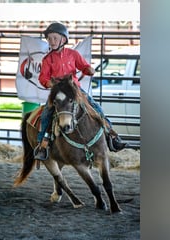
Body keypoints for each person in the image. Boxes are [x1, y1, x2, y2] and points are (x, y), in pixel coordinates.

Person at [34, 22, 126, 160]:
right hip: (58, 92)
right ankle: (43, 144)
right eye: (49, 39)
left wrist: (89, 70)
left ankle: (111, 135)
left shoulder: (73, 54)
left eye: (54, 38)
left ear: (63, 40)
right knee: (46, 114)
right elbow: (43, 78)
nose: (51, 41)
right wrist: (49, 83)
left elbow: (84, 66)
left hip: (74, 90)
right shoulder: (47, 59)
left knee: (97, 109)